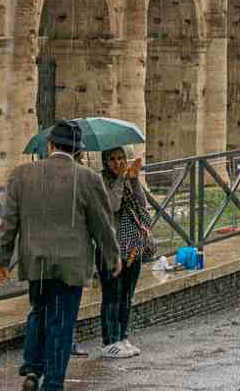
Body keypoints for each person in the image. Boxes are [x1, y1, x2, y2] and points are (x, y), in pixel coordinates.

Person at [0, 120, 120, 391]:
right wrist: (113, 257)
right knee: (61, 323)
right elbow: (102, 224)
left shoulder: (22, 174)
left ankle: (32, 367)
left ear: (50, 145)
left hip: (35, 262)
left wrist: (1, 262)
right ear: (77, 151)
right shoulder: (88, 178)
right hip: (71, 265)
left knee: (39, 311)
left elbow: (8, 224)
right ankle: (52, 384)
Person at [98, 147, 156, 359]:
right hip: (110, 246)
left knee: (127, 294)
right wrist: (121, 180)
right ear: (105, 162)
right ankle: (109, 340)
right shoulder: (101, 181)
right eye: (112, 159)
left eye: (120, 158)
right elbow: (112, 205)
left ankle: (122, 336)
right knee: (112, 293)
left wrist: (134, 180)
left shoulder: (128, 179)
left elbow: (142, 204)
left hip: (132, 244)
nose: (117, 163)